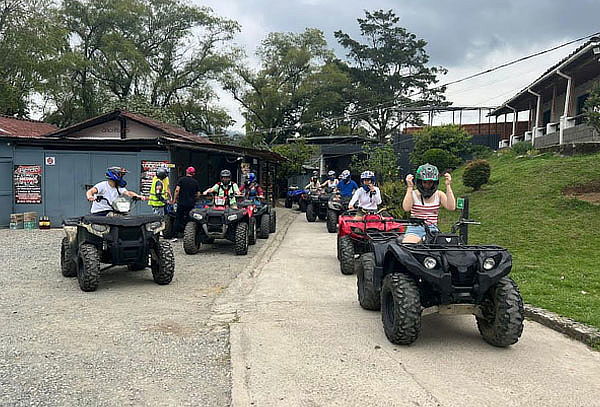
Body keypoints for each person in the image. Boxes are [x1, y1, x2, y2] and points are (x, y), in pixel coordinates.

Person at [402, 163, 456, 243]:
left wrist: (448, 186)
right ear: (420, 182)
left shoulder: (439, 194)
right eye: (425, 182)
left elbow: (451, 207)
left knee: (440, 248)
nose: (427, 185)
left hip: (432, 228)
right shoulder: (413, 194)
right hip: (415, 228)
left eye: (430, 182)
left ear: (434, 183)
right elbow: (406, 208)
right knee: (408, 245)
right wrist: (410, 187)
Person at [172, 166, 200, 241]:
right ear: (193, 173)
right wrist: (195, 199)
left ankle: (175, 235)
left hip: (181, 203)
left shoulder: (181, 180)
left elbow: (177, 190)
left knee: (178, 218)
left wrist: (174, 199)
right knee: (189, 219)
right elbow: (198, 194)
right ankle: (188, 235)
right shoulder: (195, 182)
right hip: (191, 204)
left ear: (186, 172)